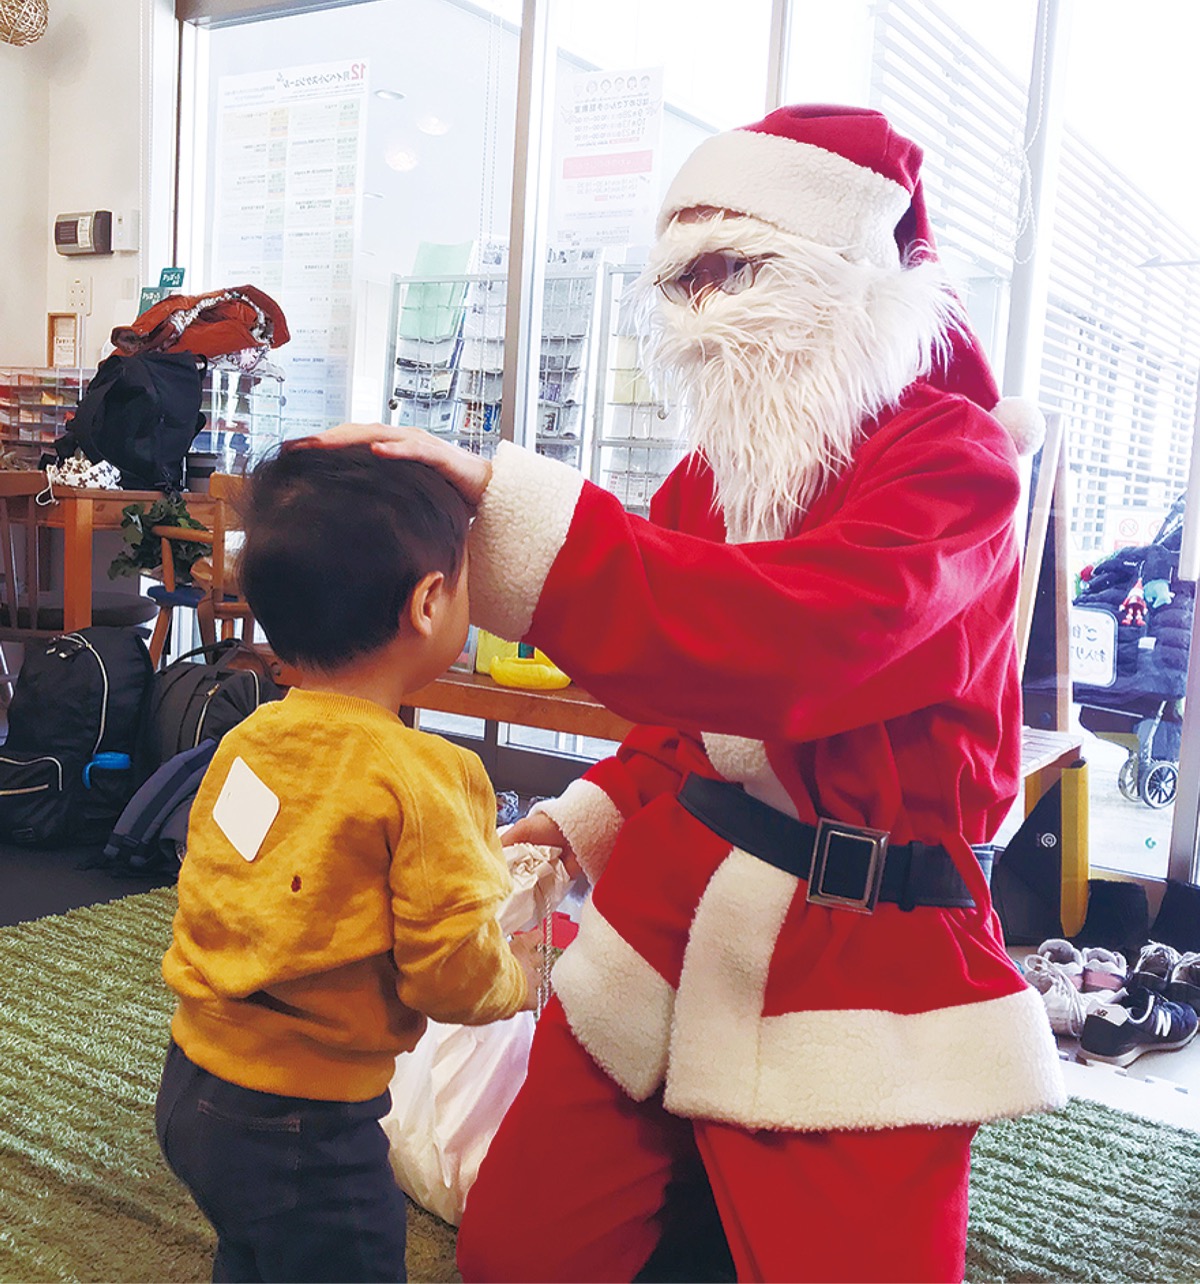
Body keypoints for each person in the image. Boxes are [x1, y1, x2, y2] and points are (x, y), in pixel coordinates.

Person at [313, 104, 1066, 1283]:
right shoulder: (713, 477)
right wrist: (574, 824)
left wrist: (513, 519)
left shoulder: (953, 465)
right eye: (685, 279)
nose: (706, 309)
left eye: (740, 269)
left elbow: (793, 644)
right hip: (673, 908)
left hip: (857, 948)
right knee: (523, 1254)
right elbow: (692, 721)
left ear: (857, 276)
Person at [154, 444, 542, 1284]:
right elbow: (448, 975)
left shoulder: (249, 737)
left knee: (251, 1252)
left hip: (193, 1082)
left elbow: (219, 874)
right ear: (430, 602)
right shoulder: (429, 776)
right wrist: (517, 974)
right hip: (308, 1128)